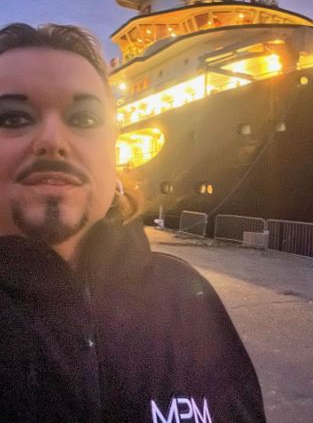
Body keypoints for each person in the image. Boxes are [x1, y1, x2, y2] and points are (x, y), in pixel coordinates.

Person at [0, 23, 266, 423]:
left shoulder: (188, 301)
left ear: (114, 146)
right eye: (13, 118)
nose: (52, 140)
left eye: (84, 118)